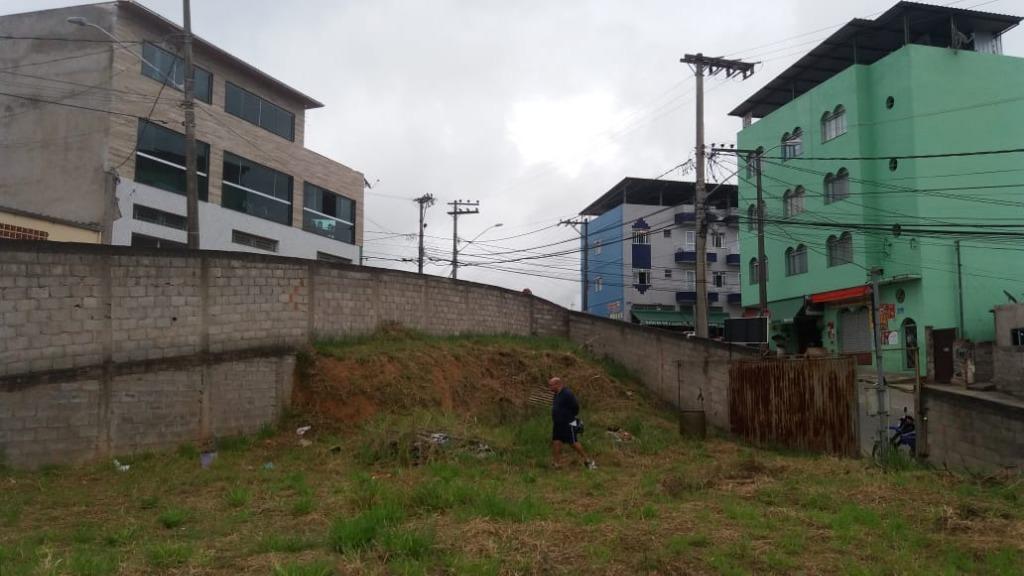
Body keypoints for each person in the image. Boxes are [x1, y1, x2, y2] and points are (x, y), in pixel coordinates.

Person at [548, 377, 596, 469]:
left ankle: (587, 461)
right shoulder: (556, 394)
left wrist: (569, 417)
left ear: (558, 384)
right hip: (558, 424)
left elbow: (575, 407)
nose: (549, 387)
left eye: (551, 385)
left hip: (568, 423)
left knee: (573, 442)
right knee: (556, 441)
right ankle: (557, 463)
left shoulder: (567, 393)